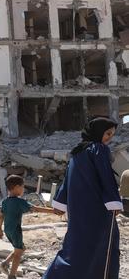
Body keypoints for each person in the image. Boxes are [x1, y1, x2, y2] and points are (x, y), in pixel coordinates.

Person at [43, 117, 123, 279]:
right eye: (107, 133)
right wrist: (115, 203)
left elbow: (68, 180)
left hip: (78, 210)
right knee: (104, 247)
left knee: (76, 248)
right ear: (99, 131)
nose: (109, 138)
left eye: (112, 135)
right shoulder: (98, 149)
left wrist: (60, 202)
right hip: (97, 210)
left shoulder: (77, 152)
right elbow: (106, 177)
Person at [0, 175, 59, 279]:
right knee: (18, 254)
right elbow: (35, 209)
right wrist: (53, 211)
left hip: (7, 229)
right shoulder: (19, 201)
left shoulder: (5, 201)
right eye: (22, 187)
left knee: (21, 248)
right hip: (16, 230)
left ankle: (5, 264)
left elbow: (1, 216)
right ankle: (11, 276)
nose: (23, 189)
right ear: (17, 187)